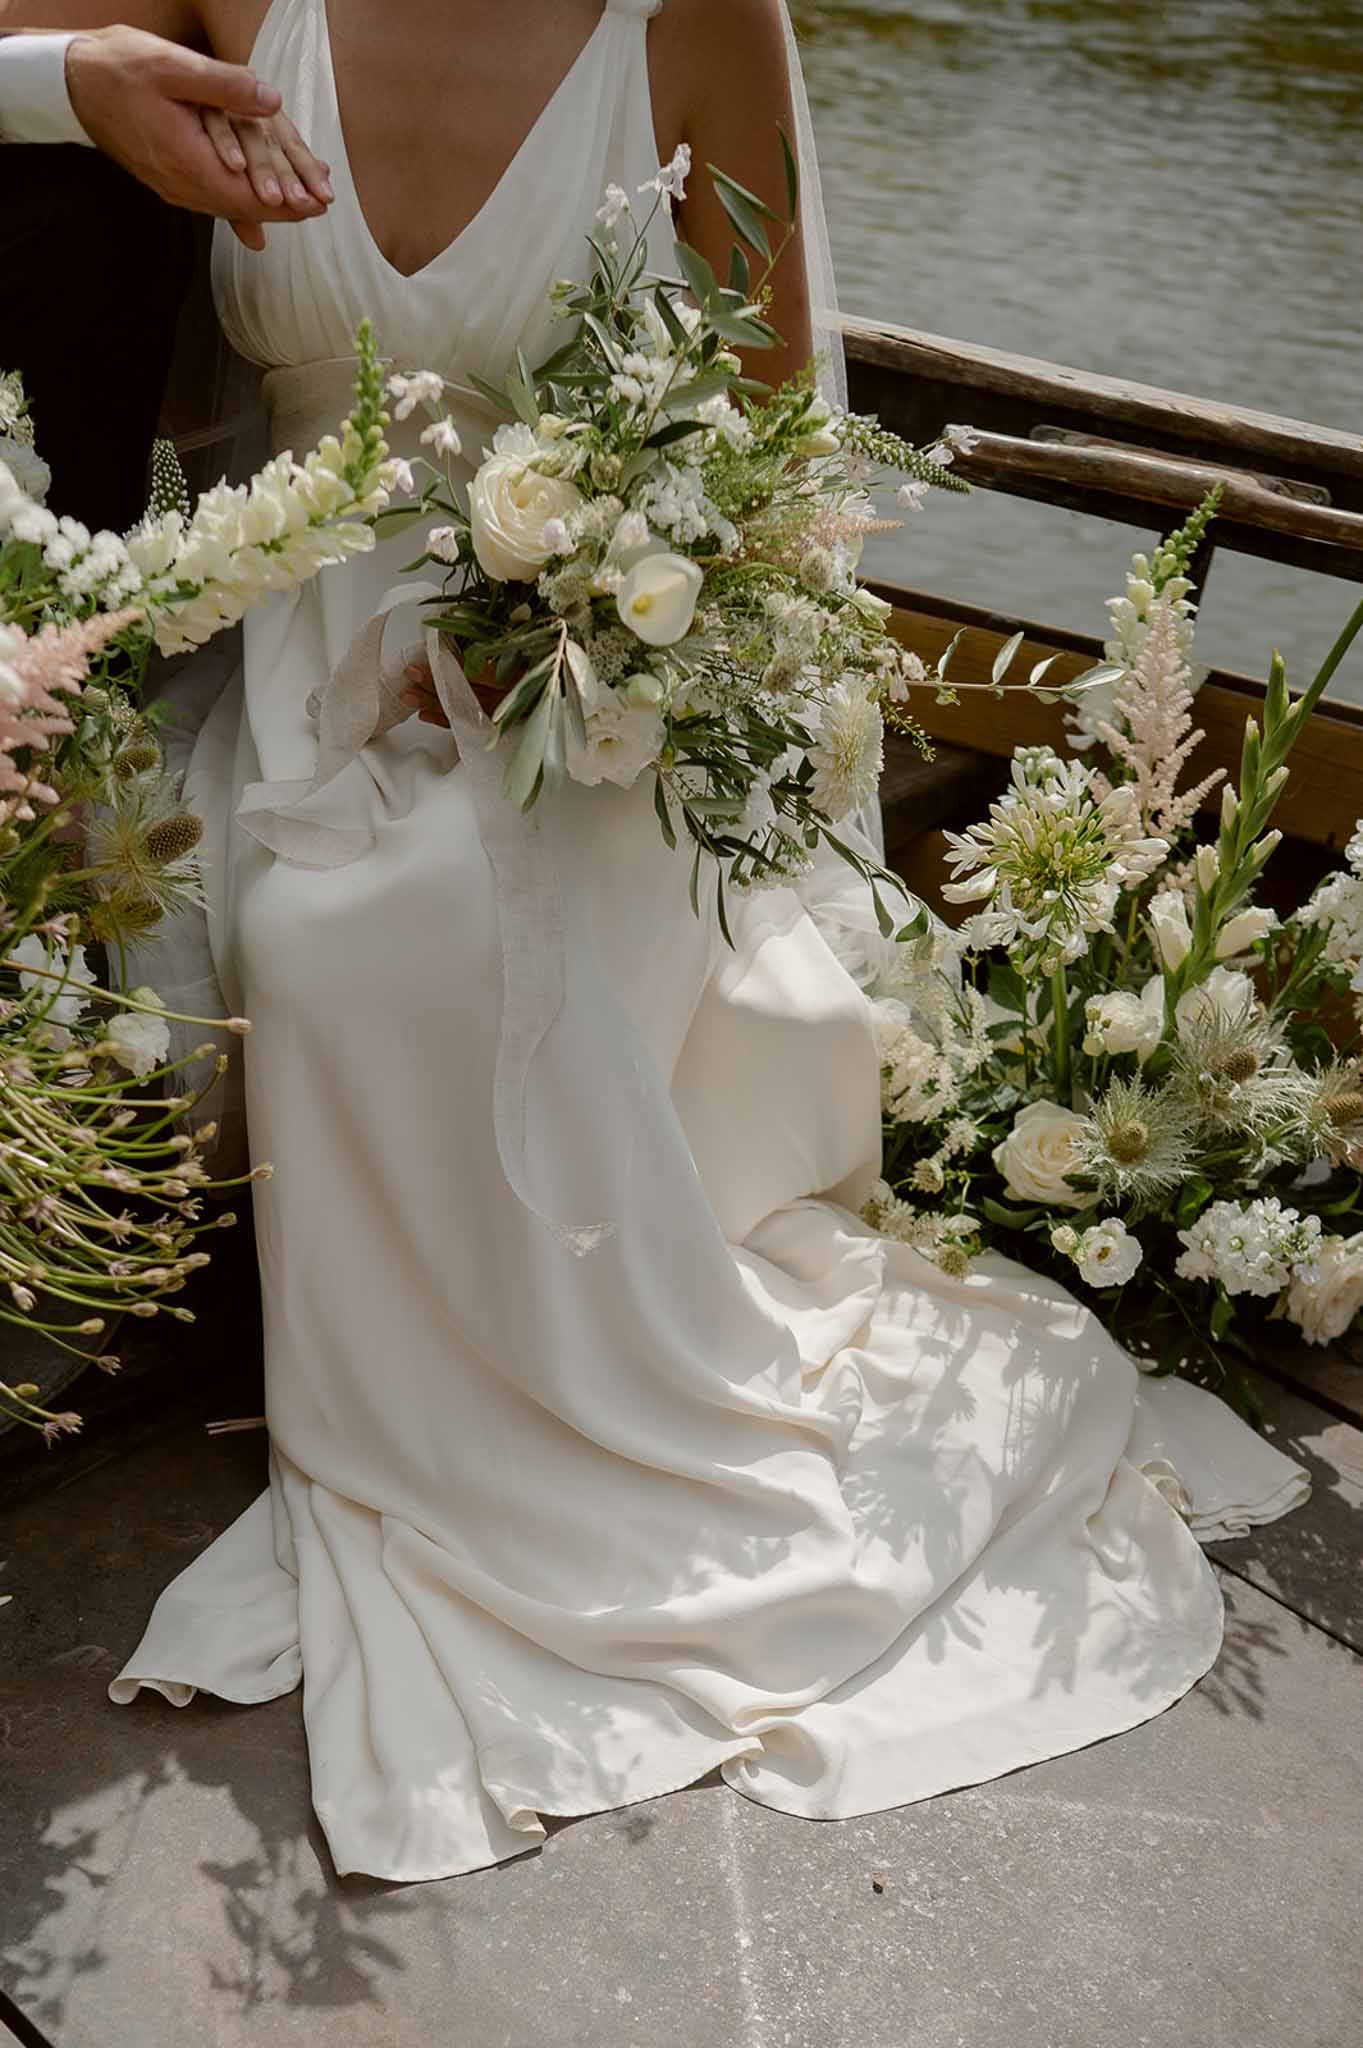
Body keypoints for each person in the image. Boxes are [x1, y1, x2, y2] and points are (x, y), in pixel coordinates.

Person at [2, 1, 1307, 1887]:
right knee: (292, 897)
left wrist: (561, 645)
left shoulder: (689, 18)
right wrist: (89, 88)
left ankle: (517, 1451)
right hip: (281, 634)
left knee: (400, 918)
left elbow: (774, 438)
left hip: (579, 674)